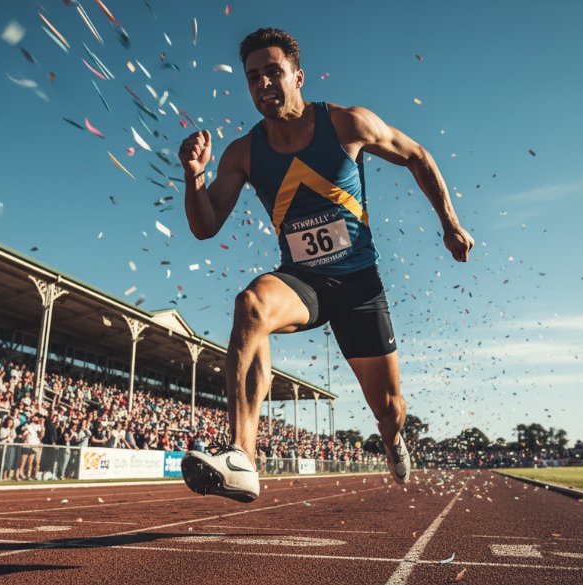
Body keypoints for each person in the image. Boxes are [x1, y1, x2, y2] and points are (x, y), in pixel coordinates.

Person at [178, 28, 473, 502]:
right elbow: (205, 225)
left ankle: (393, 439)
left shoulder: (347, 124)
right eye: (253, 77)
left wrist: (450, 223)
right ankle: (241, 456)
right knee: (250, 304)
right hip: (303, 281)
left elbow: (416, 155)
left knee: (389, 408)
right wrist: (193, 178)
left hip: (359, 285)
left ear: (298, 76)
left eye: (273, 72)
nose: (263, 85)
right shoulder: (243, 153)